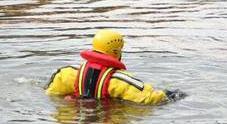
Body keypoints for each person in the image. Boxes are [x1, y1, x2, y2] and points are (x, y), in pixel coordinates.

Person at [45, 29, 183, 104]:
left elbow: (51, 93)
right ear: (116, 52)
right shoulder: (121, 81)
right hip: (107, 119)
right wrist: (173, 94)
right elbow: (149, 99)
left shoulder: (66, 73)